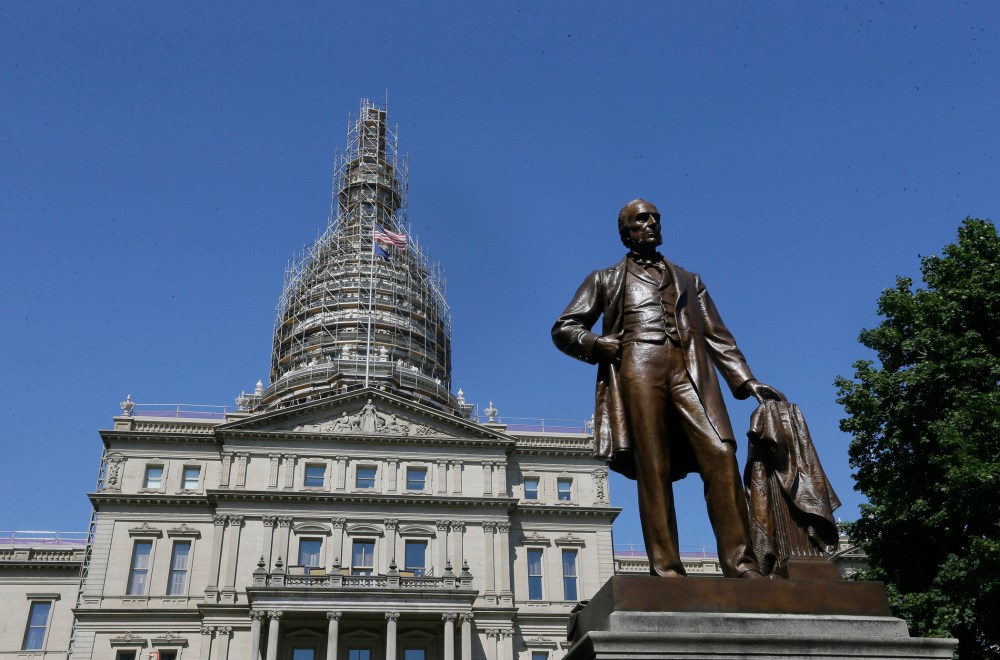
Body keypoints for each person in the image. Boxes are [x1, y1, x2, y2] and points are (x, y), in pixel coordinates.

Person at [552, 199, 785, 578]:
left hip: (691, 368)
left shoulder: (689, 280)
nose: (652, 224)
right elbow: (564, 328)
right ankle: (668, 570)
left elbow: (718, 335)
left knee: (721, 453)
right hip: (638, 367)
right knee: (653, 466)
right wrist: (596, 343)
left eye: (656, 218)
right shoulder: (605, 278)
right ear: (625, 230)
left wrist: (745, 380)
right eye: (642, 219)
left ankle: (741, 563)